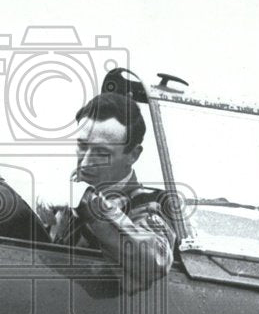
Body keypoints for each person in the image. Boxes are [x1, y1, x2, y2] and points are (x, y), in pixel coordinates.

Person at [43, 90, 178, 289]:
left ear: (133, 155)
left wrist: (87, 203)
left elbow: (155, 261)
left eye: (101, 152)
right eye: (82, 145)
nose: (86, 162)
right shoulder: (69, 191)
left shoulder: (152, 206)